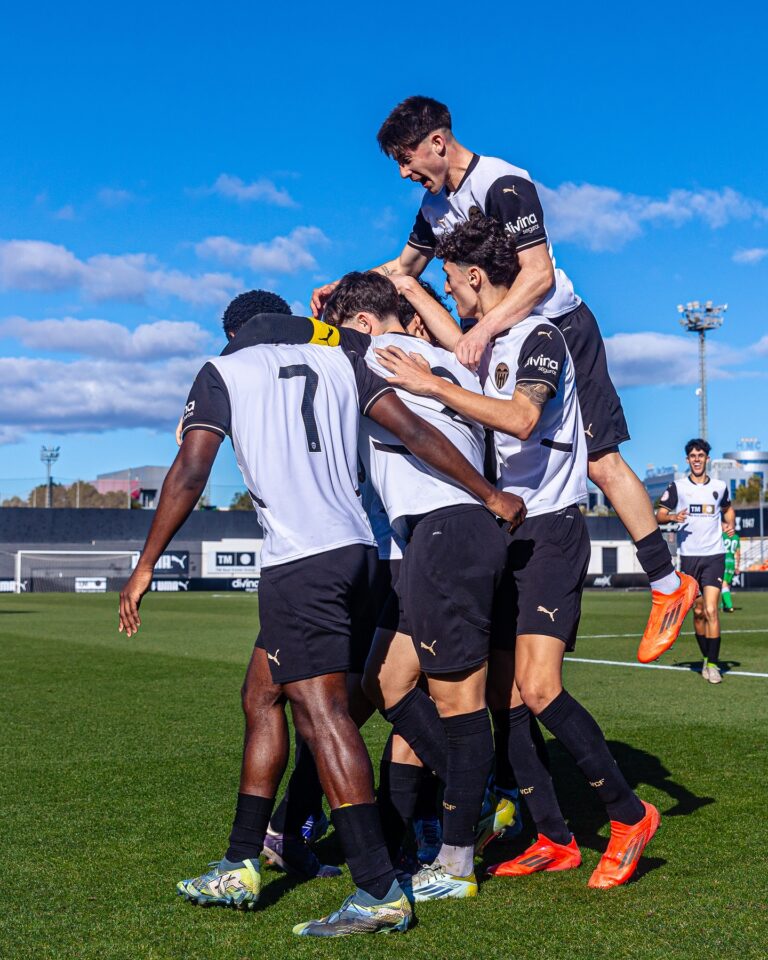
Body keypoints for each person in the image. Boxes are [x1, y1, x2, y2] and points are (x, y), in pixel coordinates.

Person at [120, 309, 524, 936]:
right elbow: (415, 432)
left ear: (235, 332)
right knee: (262, 693)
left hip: (300, 562)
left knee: (321, 712)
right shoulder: (341, 360)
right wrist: (490, 493)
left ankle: (376, 887)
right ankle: (242, 858)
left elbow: (191, 470)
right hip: (360, 555)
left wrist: (146, 563)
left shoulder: (222, 370)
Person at [311, 95, 697, 663]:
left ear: (437, 143)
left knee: (599, 461)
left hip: (556, 327)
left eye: (407, 157)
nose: (403, 171)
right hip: (499, 339)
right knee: (494, 448)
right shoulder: (433, 205)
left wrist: (482, 327)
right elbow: (402, 269)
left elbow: (538, 274)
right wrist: (341, 287)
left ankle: (667, 585)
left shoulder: (503, 184)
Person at [376, 212, 660, 889]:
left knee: (539, 687)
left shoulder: (540, 335)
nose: (450, 297)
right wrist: (403, 287)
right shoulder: (491, 336)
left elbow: (525, 416)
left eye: (450, 285)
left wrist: (433, 387)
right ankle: (556, 838)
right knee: (504, 700)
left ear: (477, 279)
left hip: (552, 531)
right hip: (505, 535)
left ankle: (628, 815)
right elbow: (454, 340)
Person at [323, 271, 514, 900]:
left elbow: (417, 433)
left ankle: (459, 857)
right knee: (387, 680)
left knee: (459, 703)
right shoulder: (439, 359)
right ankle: (473, 797)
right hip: (437, 538)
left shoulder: (374, 353)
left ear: (365, 325)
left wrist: (316, 320)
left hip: (447, 529)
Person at [656, 440, 735, 684]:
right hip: (689, 557)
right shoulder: (678, 487)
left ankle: (713, 664)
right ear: (687, 460)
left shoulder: (720, 487)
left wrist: (729, 524)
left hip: (714, 555)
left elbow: (728, 509)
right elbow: (659, 515)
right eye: (692, 456)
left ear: (707, 458)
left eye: (701, 455)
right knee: (698, 612)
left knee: (712, 609)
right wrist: (672, 516)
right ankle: (705, 657)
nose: (697, 459)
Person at [721, 527, 741, 613]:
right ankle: (723, 605)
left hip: (724, 562)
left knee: (723, 584)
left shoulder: (723, 536)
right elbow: (738, 553)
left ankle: (729, 606)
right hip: (732, 563)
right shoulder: (736, 537)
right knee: (727, 585)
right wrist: (737, 566)